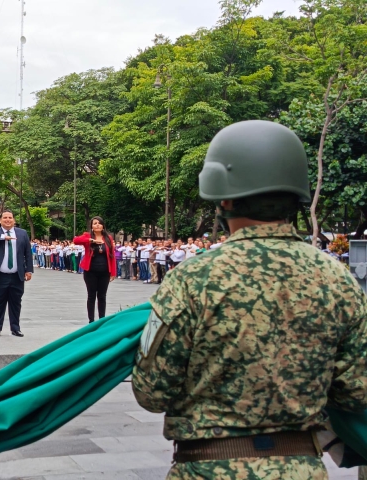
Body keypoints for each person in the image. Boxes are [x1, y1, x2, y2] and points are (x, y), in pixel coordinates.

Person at [132, 120, 367, 479]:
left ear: (222, 197)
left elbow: (152, 392)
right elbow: (356, 391)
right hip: (304, 468)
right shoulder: (338, 278)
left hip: (208, 469)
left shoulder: (194, 277)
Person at [0, 209, 33, 337]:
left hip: (17, 274)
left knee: (16, 301)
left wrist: (29, 270)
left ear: (14, 220)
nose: (8, 220)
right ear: (0, 220)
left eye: (10, 217)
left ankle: (15, 328)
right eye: (5, 218)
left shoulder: (22, 233)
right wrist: (4, 237)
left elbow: (27, 252)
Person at [74, 216, 116, 323]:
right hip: (90, 271)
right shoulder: (88, 236)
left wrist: (113, 273)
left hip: (105, 271)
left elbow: (112, 256)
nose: (97, 225)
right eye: (95, 223)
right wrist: (89, 240)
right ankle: (91, 321)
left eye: (99, 223)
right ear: (92, 226)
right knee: (91, 296)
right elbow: (76, 240)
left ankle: (102, 320)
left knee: (102, 296)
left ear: (103, 226)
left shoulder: (108, 238)